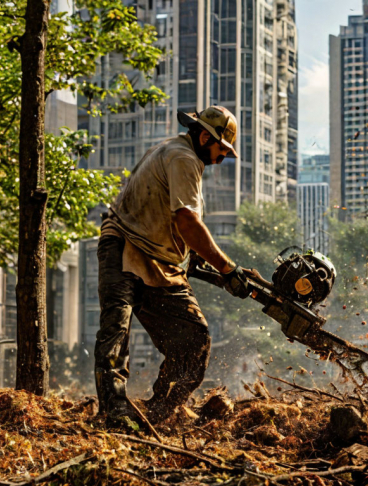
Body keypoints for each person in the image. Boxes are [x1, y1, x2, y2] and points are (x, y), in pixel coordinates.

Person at [95, 106, 251, 424]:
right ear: (205, 136)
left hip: (161, 261)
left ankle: (161, 412)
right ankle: (115, 412)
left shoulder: (177, 153)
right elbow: (187, 222)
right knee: (116, 331)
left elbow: (177, 226)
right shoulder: (184, 157)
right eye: (221, 150)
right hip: (124, 244)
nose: (222, 159)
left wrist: (209, 265)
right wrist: (227, 269)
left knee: (194, 338)